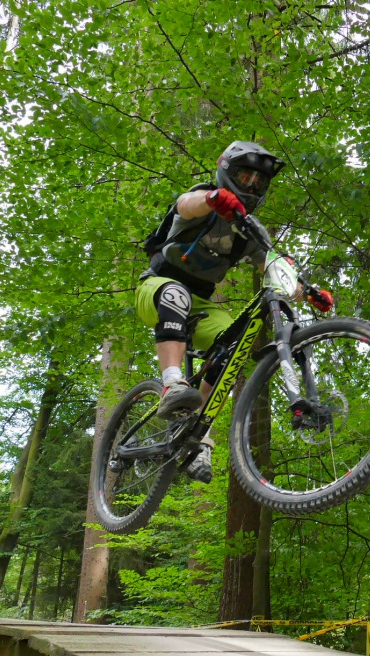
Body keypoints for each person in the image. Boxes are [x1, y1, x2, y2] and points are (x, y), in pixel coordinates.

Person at [133, 141, 332, 483]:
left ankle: (197, 432)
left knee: (233, 348)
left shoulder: (250, 232)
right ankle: (170, 384)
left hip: (204, 304)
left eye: (260, 181)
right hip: (157, 286)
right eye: (245, 176)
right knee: (176, 295)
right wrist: (213, 200)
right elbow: (186, 205)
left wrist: (308, 292)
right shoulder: (204, 196)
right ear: (226, 172)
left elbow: (274, 268)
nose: (252, 185)